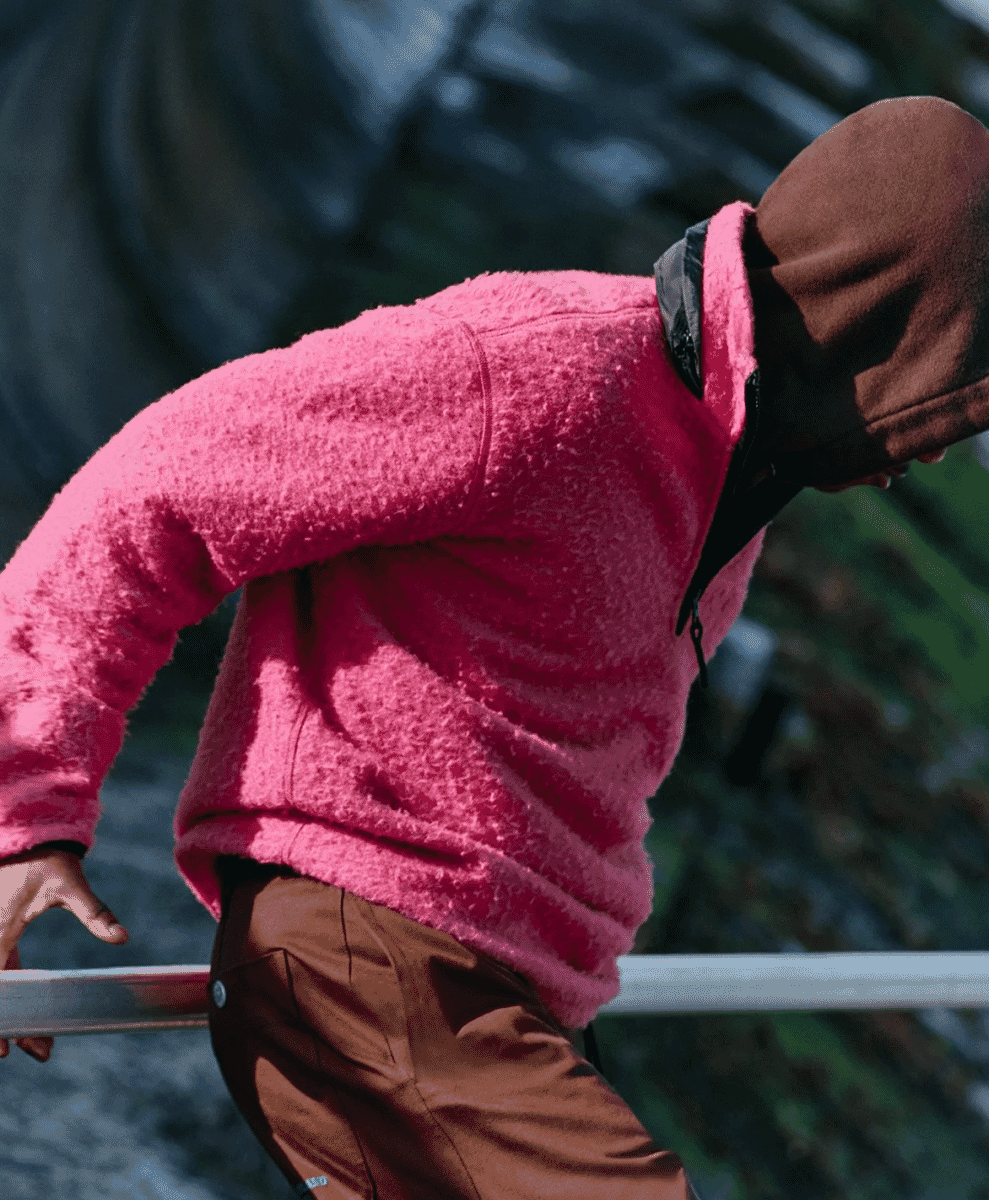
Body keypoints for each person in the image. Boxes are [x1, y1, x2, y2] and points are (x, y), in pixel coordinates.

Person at [0, 93, 986, 1200]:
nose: (938, 449)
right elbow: (155, 484)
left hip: (501, 1003)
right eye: (949, 400)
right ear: (878, 324)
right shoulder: (529, 368)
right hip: (367, 954)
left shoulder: (730, 464)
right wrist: (23, 810)